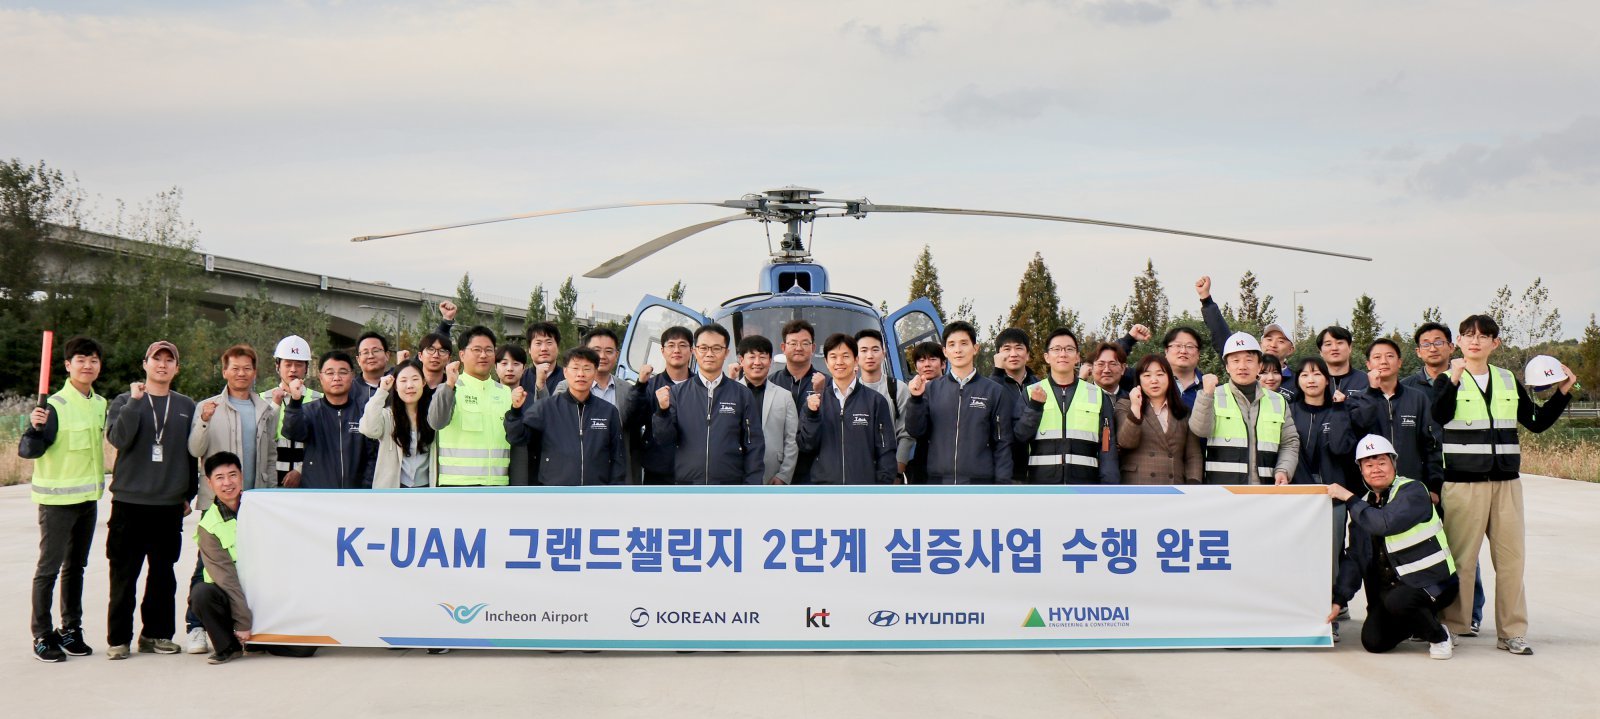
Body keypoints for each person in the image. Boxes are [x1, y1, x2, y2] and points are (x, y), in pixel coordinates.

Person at [1431, 314, 1574, 655]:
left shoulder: (1508, 380)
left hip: (1507, 484)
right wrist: (1454, 378)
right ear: (1458, 342)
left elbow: (1535, 422)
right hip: (1463, 485)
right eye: (1468, 335)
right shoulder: (1447, 379)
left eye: (1483, 336)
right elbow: (1439, 415)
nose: (1475, 341)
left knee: (1511, 561)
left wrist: (1563, 393)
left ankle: (1512, 632)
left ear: (1495, 343)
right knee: (1462, 561)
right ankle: (1454, 626)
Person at [102, 340, 199, 659]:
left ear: (176, 368)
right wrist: (134, 402)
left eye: (169, 360)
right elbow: (118, 438)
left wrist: (188, 493)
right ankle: (119, 639)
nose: (162, 364)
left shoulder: (186, 405)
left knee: (163, 576)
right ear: (145, 364)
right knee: (123, 575)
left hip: (168, 506)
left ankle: (156, 635)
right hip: (129, 503)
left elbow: (191, 454)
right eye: (156, 359)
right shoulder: (125, 400)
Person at [1328, 435, 1459, 660]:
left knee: (1398, 600)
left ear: (1394, 464)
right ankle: (1421, 624)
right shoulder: (1364, 505)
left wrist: (1349, 498)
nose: (1376, 470)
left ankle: (1439, 636)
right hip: (1394, 591)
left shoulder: (1413, 491)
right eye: (1369, 465)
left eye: (1382, 463)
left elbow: (1385, 523)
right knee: (1374, 641)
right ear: (1361, 471)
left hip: (1432, 583)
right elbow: (1355, 558)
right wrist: (1339, 600)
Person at [19, 336, 107, 662]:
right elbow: (29, 451)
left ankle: (70, 629)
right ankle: (42, 635)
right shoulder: (53, 406)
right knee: (48, 570)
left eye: (93, 360)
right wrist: (34, 429)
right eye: (81, 360)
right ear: (68, 365)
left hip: (87, 500)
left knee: (76, 568)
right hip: (56, 503)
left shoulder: (100, 404)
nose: (87, 365)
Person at [1398, 321, 1486, 634]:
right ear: (1418, 351)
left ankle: (1470, 612)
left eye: (1439, 342)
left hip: (1463, 473)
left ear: (1452, 346)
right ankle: (1427, 613)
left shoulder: (1472, 380)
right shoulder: (1408, 387)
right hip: (1424, 479)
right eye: (1426, 343)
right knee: (1420, 547)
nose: (1433, 348)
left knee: (1464, 547)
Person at [188, 452, 317, 664]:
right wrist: (243, 621)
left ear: (241, 476)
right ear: (210, 483)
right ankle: (229, 646)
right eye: (220, 478)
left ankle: (258, 640)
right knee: (201, 593)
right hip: (231, 599)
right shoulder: (208, 526)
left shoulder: (261, 507)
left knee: (304, 649)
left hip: (266, 596)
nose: (227, 483)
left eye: (232, 475)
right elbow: (226, 580)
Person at [653, 324, 764, 484]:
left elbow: (754, 444)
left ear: (726, 352)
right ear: (694, 351)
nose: (709, 354)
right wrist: (662, 412)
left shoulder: (742, 394)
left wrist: (751, 486)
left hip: (730, 487)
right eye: (703, 348)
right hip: (687, 486)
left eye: (716, 348)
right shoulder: (677, 393)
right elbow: (664, 439)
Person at [905, 322, 1013, 484]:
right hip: (938, 482)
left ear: (975, 348)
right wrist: (916, 399)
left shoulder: (994, 391)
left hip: (980, 483)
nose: (958, 349)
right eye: (952, 344)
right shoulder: (930, 389)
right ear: (945, 351)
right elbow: (916, 431)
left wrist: (1002, 484)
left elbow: (1002, 443)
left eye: (964, 343)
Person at [1189, 332, 1300, 485]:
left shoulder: (1277, 400)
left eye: (1249, 360)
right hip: (1223, 491)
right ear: (1227, 367)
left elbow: (1290, 442)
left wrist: (1284, 470)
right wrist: (1206, 395)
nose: (1242, 366)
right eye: (1235, 361)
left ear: (1259, 366)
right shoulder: (1212, 395)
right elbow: (1200, 431)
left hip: (1267, 490)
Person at [507, 347, 628, 485]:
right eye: (575, 368)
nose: (580, 374)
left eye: (587, 369)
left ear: (595, 372)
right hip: (555, 490)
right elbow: (517, 437)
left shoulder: (608, 411)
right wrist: (515, 410)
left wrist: (615, 489)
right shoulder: (545, 408)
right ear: (565, 372)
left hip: (596, 491)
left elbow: (618, 457)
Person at [1014, 328, 1118, 484]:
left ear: (1077, 357)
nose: (1063, 354)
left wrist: (1109, 487)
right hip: (1042, 487)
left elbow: (1106, 447)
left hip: (1085, 487)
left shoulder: (1097, 395)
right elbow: (1020, 438)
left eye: (1069, 349)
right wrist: (1035, 407)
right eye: (1056, 349)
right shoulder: (1031, 392)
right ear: (1047, 357)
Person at [428, 326, 520, 486]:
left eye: (489, 350)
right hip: (457, 485)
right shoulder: (449, 388)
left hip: (499, 485)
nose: (483, 355)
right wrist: (450, 385)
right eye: (477, 350)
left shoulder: (505, 393)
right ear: (462, 355)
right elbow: (436, 422)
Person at [798, 334, 896, 484]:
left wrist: (881, 486)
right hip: (824, 488)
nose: (839, 362)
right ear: (826, 362)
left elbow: (886, 450)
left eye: (845, 356)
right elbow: (805, 446)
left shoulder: (875, 401)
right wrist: (812, 415)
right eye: (833, 357)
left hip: (864, 489)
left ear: (856, 360)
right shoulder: (815, 402)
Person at [189, 344, 277, 503]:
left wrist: (271, 494)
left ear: (254, 373)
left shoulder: (265, 411)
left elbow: (270, 458)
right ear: (224, 372)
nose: (241, 373)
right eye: (235, 368)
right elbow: (195, 451)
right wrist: (204, 420)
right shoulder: (206, 408)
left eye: (247, 368)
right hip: (215, 501)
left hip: (256, 500)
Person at [281, 350, 377, 489]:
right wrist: (295, 401)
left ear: (352, 376)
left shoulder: (364, 412)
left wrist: (366, 490)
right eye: (330, 373)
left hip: (357, 495)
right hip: (317, 494)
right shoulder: (309, 411)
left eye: (343, 372)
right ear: (320, 377)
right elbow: (292, 433)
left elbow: (373, 456)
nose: (336, 378)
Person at [1115, 354, 1202, 484]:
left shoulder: (1183, 412)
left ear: (1169, 378)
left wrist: (1193, 484)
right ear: (1139, 379)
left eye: (1160, 374)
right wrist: (1135, 408)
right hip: (1137, 485)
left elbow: (1193, 455)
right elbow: (1126, 442)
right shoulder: (1125, 405)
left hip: (1175, 487)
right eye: (1147, 375)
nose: (1154, 380)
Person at [1194, 275, 1296, 384]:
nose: (1273, 345)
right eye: (1269, 339)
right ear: (1260, 344)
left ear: (1291, 349)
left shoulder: (1298, 382)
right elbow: (1220, 332)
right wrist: (1206, 298)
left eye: (1281, 341)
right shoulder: (1244, 369)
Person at [627, 326, 694, 484]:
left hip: (693, 470)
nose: (676, 350)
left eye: (682, 345)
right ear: (662, 351)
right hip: (657, 470)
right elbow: (633, 420)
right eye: (671, 345)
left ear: (692, 350)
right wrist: (640, 385)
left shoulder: (700, 387)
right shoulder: (650, 385)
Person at [359, 360, 437, 489]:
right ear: (395, 386)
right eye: (403, 380)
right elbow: (368, 429)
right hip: (394, 489)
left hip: (427, 489)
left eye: (415, 379)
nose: (409, 385)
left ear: (423, 382)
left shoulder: (433, 415)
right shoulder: (387, 415)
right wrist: (382, 391)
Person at [733, 335, 798, 485]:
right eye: (752, 357)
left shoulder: (784, 396)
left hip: (773, 474)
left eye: (762, 357)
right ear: (741, 360)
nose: (757, 362)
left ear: (770, 361)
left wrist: (784, 475)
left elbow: (792, 439)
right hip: (735, 474)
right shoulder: (730, 394)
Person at [260, 335, 320, 487]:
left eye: (299, 364)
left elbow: (324, 444)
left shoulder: (319, 400)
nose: (293, 369)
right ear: (277, 366)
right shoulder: (262, 399)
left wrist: (301, 470)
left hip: (309, 478)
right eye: (288, 364)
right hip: (271, 479)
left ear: (306, 368)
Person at [854, 329, 913, 482]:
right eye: (863, 350)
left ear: (884, 353)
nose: (870, 356)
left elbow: (906, 435)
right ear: (856, 356)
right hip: (857, 473)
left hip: (890, 473)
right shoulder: (849, 392)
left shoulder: (898, 388)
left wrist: (897, 473)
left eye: (875, 349)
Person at [992, 327, 1040, 479]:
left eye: (1019, 348)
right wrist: (997, 372)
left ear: (1028, 355)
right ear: (998, 355)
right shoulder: (990, 386)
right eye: (1007, 349)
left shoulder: (1040, 386)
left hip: (1038, 470)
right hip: (1003, 470)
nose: (1013, 354)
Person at [903, 341, 945, 485]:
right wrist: (916, 399)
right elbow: (914, 430)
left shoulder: (955, 390)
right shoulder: (912, 392)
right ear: (916, 367)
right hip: (922, 463)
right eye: (921, 360)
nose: (927, 364)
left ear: (943, 363)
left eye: (932, 359)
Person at [494, 344, 534, 485]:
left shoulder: (532, 400)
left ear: (524, 368)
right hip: (492, 468)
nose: (510, 368)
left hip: (522, 466)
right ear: (495, 367)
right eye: (504, 363)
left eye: (516, 364)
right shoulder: (486, 396)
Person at [1318, 326, 1370, 395]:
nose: (1334, 348)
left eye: (1339, 343)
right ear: (1320, 352)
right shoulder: (1313, 382)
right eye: (1328, 344)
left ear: (1350, 348)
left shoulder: (1366, 380)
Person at [524, 321, 566, 397]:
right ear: (529, 349)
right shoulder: (520, 378)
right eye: (538, 343)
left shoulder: (568, 377)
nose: (544, 348)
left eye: (549, 342)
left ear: (558, 347)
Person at [354, 331, 391, 395]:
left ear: (387, 355)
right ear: (358, 360)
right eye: (365, 352)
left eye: (375, 351)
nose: (371, 356)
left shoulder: (397, 384)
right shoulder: (350, 390)